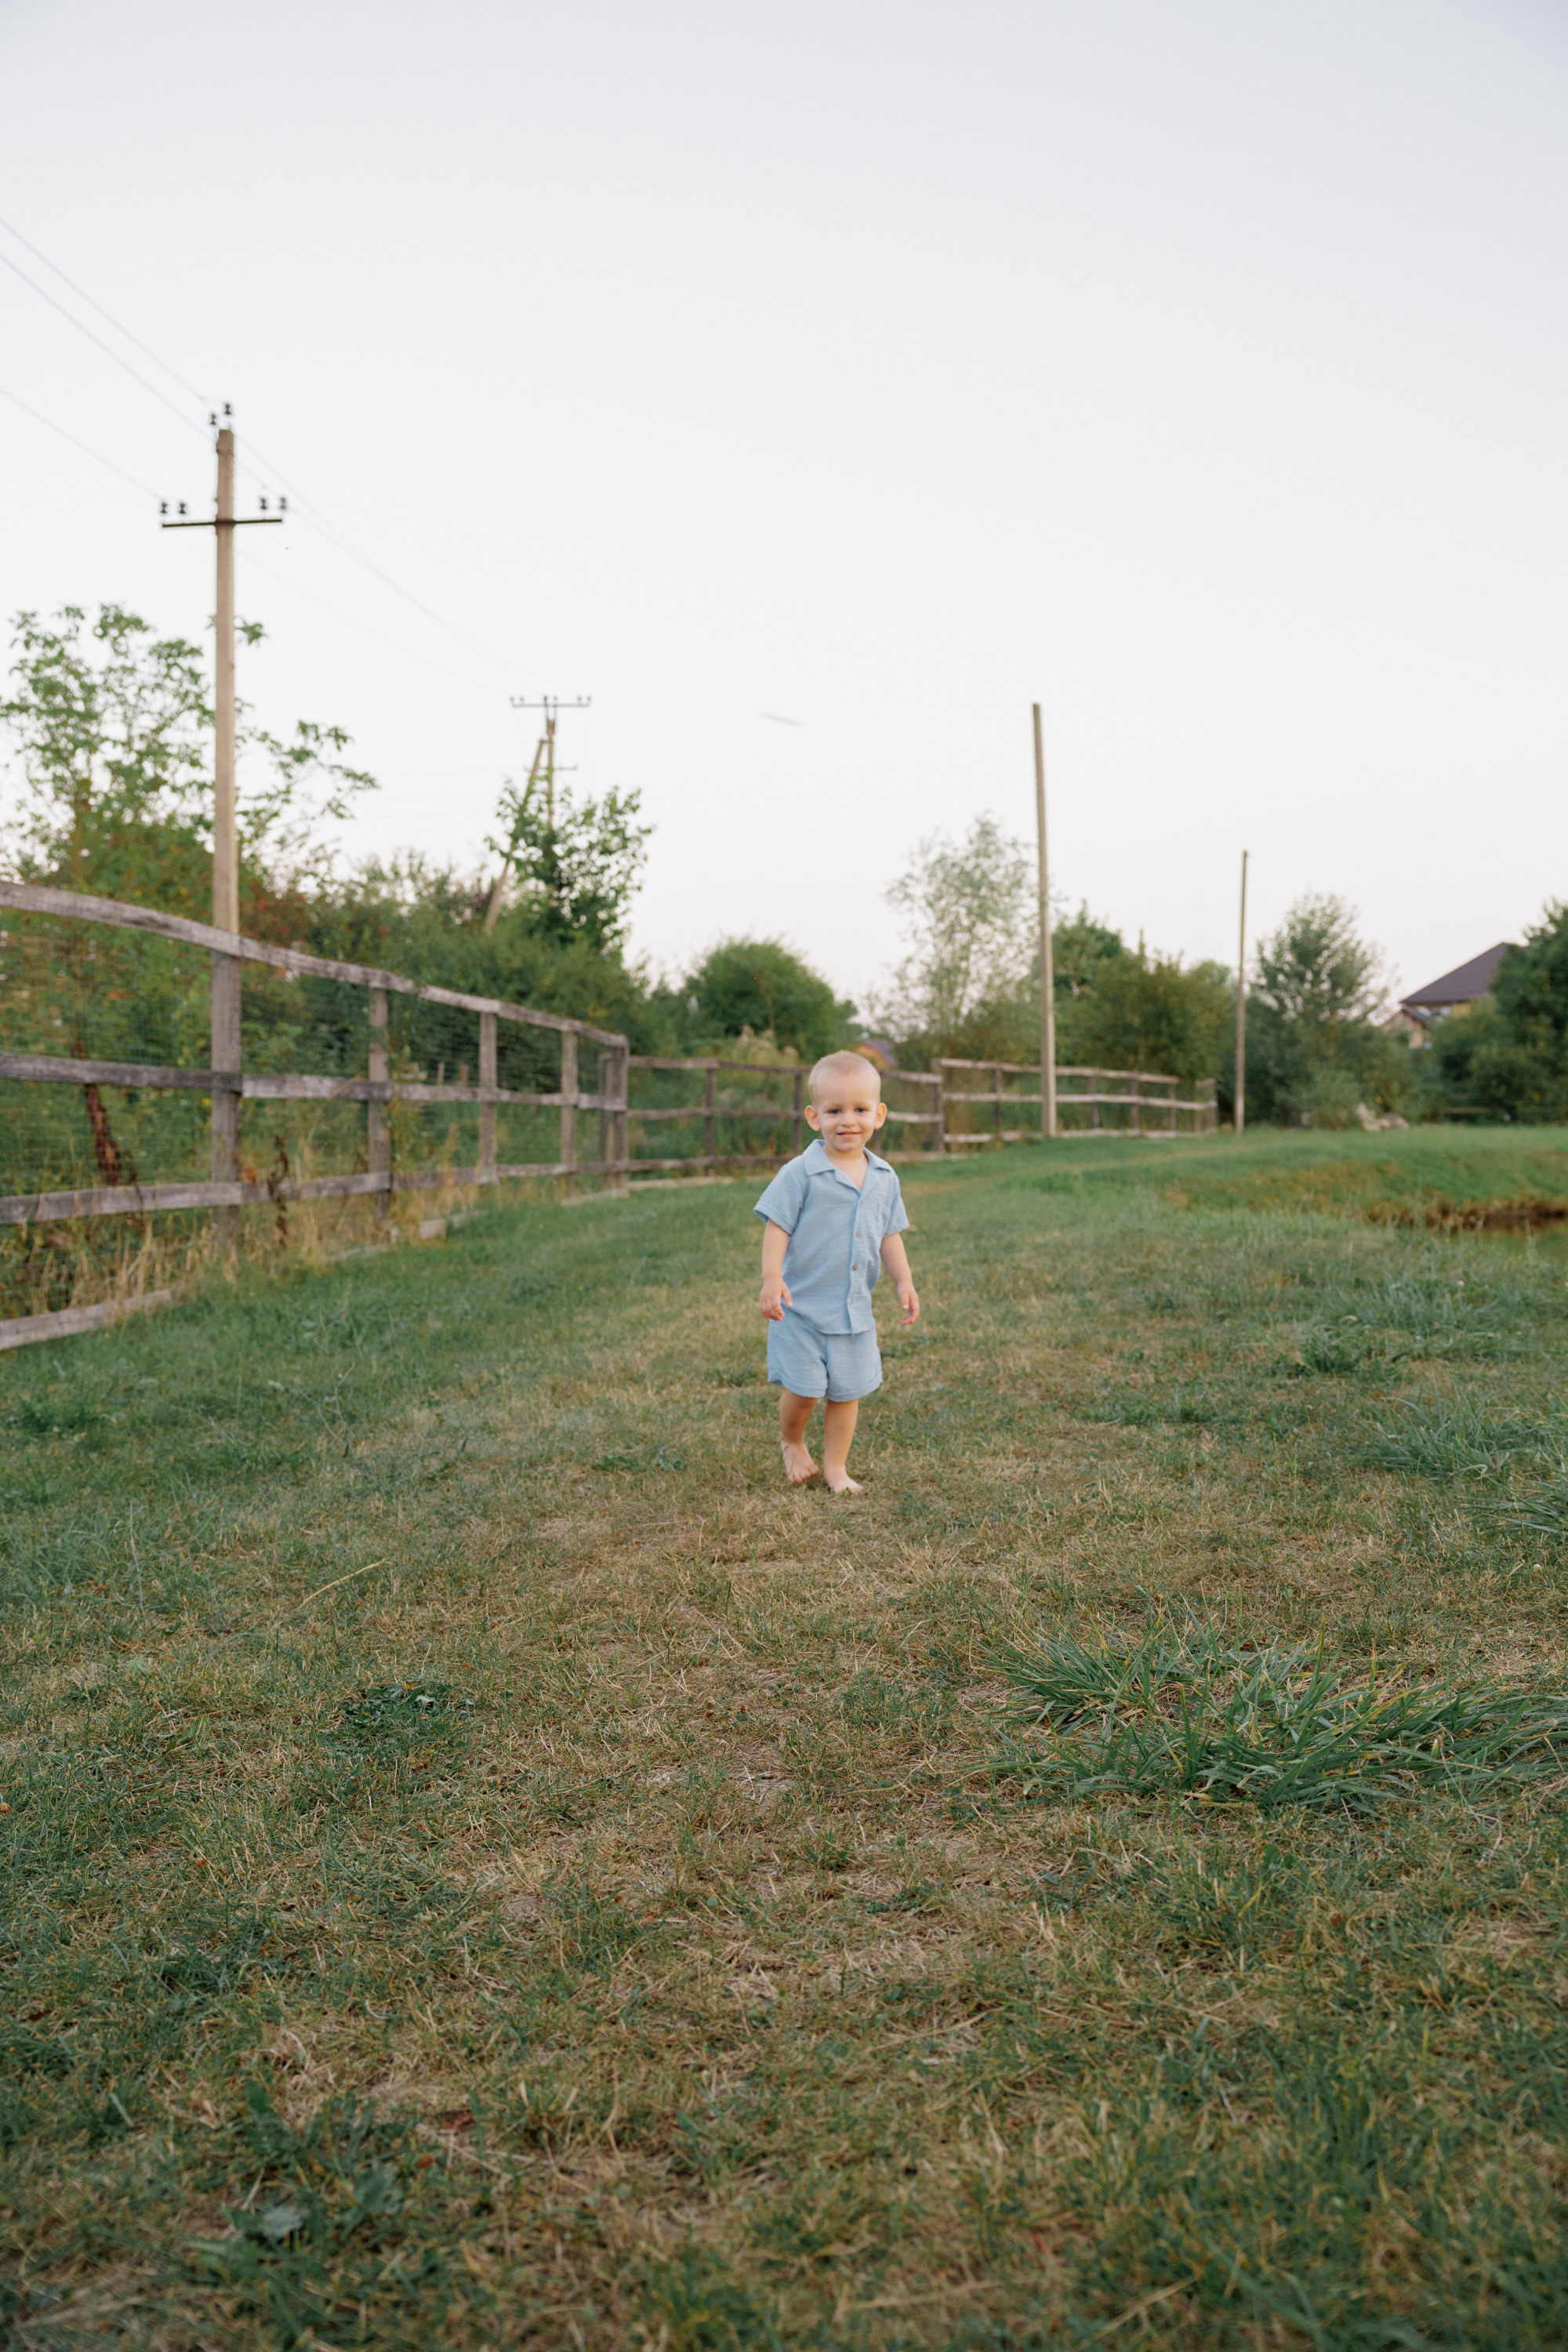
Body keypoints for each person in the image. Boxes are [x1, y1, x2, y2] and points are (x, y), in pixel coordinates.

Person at [753, 1050, 920, 1494]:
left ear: (879, 1115)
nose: (848, 1121)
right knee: (805, 1391)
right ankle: (792, 1439)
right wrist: (773, 1278)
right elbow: (777, 1227)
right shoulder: (800, 1174)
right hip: (802, 1309)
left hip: (854, 1314)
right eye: (835, 1111)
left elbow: (889, 1234)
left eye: (860, 1110)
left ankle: (836, 1468)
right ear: (814, 1118)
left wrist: (904, 1281)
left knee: (847, 1393)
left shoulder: (884, 1177)